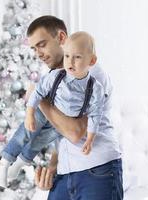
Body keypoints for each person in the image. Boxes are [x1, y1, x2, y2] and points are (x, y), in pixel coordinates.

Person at [27, 16, 123, 200]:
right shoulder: (56, 78)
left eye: (42, 44)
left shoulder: (91, 74)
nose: (38, 53)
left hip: (97, 170)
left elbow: (76, 132)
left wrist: (39, 99)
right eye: (34, 48)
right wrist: (53, 167)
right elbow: (61, 133)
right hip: (66, 174)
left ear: (61, 38)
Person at [0, 31, 103, 187]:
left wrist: (90, 139)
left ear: (91, 60)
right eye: (66, 56)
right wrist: (30, 113)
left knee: (39, 142)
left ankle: (18, 165)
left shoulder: (95, 88)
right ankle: (5, 161)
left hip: (59, 123)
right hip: (43, 111)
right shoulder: (57, 76)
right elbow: (37, 92)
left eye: (77, 57)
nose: (70, 61)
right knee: (25, 134)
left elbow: (95, 114)